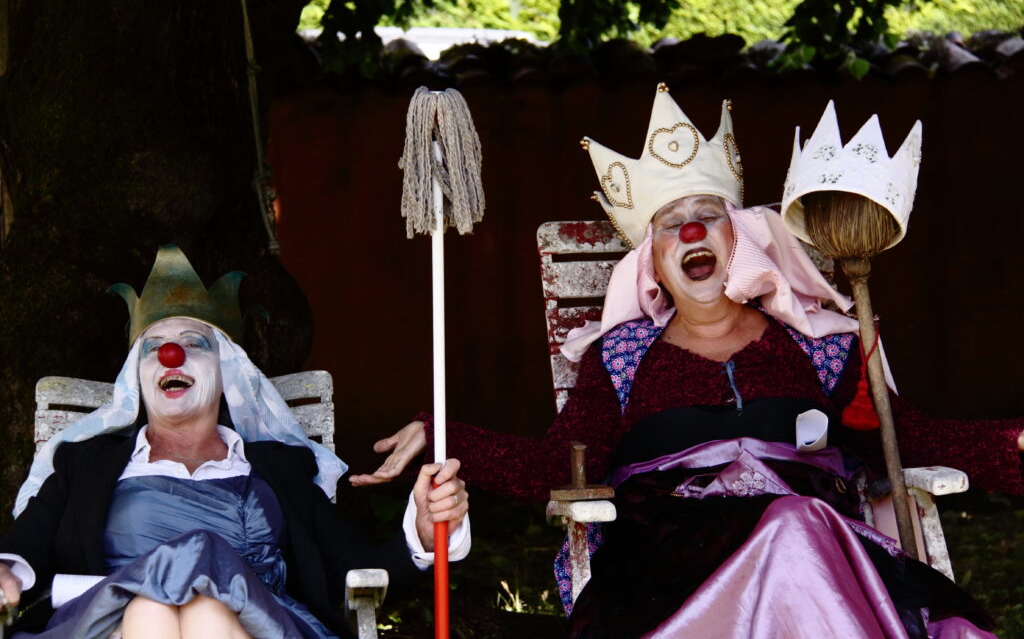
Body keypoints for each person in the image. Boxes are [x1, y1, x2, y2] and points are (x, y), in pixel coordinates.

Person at [349, 85, 1024, 637]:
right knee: (793, 526)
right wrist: (442, 429)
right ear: (653, 261)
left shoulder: (821, 347)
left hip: (818, 545)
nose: (691, 230)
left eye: (708, 214)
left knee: (801, 528)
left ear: (743, 239)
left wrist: (1012, 444)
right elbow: (556, 469)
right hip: (671, 566)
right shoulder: (620, 359)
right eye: (672, 223)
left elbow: (905, 441)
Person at [0, 245, 470, 638]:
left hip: (257, 625)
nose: (171, 354)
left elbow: (354, 571)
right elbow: (28, 544)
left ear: (229, 372)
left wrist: (423, 538)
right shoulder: (85, 463)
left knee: (200, 611)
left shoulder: (281, 469)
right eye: (152, 347)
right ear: (136, 379)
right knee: (153, 610)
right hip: (108, 626)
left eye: (195, 342)